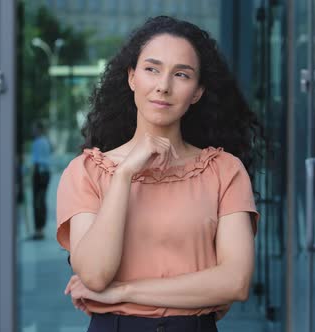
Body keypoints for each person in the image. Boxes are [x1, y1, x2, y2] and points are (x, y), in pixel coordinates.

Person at [56, 16, 264, 332]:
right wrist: (124, 174)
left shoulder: (224, 171)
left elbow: (235, 281)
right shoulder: (85, 172)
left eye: (181, 74)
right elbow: (96, 275)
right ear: (132, 78)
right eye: (151, 69)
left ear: (197, 92)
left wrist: (125, 291)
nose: (163, 86)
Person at [30, 121, 52, 240]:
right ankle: (41, 229)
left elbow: (36, 161)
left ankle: (39, 230)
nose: (32, 131)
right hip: (46, 173)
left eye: (34, 129)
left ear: (39, 129)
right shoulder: (46, 141)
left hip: (39, 173)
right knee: (42, 200)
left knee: (37, 201)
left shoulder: (37, 142)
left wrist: (29, 177)